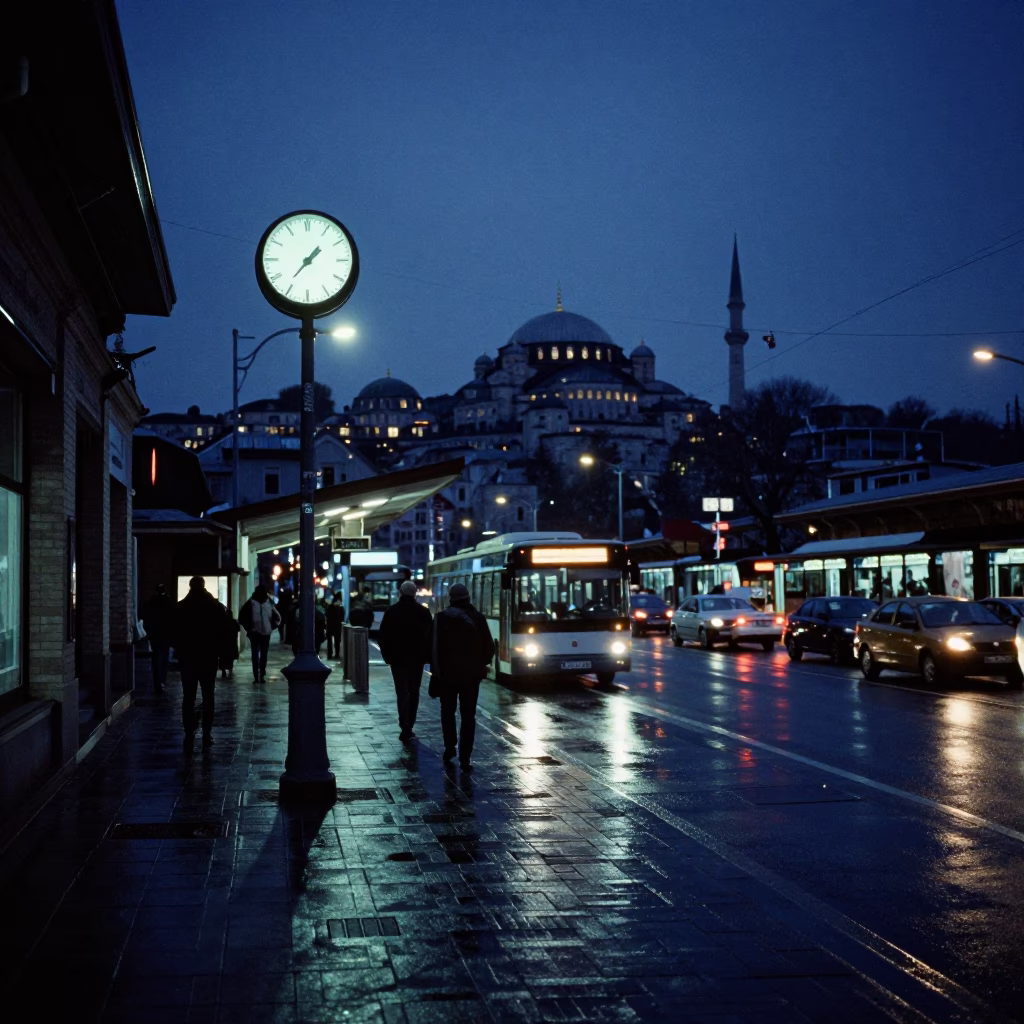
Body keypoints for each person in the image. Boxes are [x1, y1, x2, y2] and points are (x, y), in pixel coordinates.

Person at [430, 582, 495, 770]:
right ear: (468, 598)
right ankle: (465, 757)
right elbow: (489, 647)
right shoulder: (478, 618)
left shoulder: (441, 618)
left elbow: (433, 647)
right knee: (468, 716)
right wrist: (481, 664)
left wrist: (436, 670)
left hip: (448, 675)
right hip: (471, 676)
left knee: (447, 712)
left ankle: (449, 747)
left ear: (450, 598)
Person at [172, 576, 229, 749]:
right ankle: (206, 733)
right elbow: (224, 632)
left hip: (187, 658)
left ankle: (189, 733)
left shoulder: (180, 607)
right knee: (208, 695)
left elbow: (172, 632)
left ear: (190, 587)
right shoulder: (216, 607)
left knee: (188, 696)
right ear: (204, 586)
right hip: (208, 657)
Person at [378, 580, 432, 742]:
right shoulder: (423, 613)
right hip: (417, 659)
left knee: (401, 692)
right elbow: (429, 637)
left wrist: (387, 656)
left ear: (400, 593)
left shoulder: (392, 611)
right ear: (415, 594)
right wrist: (427, 656)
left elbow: (383, 636)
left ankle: (404, 724)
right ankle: (410, 723)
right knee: (414, 691)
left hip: (397, 659)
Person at [239, 584, 282, 683]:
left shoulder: (255, 603)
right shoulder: (256, 603)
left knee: (259, 655)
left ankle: (260, 675)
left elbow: (277, 617)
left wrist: (271, 627)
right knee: (260, 655)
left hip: (262, 633)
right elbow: (242, 618)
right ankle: (259, 675)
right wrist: (250, 628)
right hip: (258, 633)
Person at [142, 583, 174, 695]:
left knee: (155, 659)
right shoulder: (167, 601)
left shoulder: (152, 601)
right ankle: (162, 681)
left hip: (155, 635)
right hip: (165, 635)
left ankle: (157, 683)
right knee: (164, 659)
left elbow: (147, 618)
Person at [219, 611, 241, 679]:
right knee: (230, 658)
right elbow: (238, 629)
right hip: (232, 643)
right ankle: (230, 670)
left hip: (223, 643)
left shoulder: (222, 622)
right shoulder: (233, 622)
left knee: (222, 657)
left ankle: (223, 671)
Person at [325, 592, 344, 661]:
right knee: (337, 641)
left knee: (329, 641)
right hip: (337, 626)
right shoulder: (340, 608)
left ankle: (330, 654)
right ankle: (336, 654)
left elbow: (326, 615)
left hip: (330, 626)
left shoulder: (329, 607)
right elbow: (342, 618)